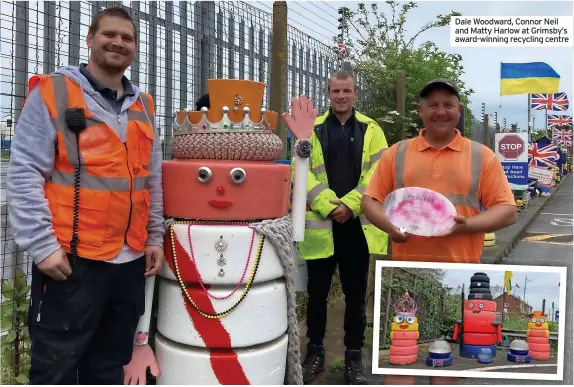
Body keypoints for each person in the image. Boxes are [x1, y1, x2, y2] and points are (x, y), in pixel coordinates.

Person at [7, 7, 165, 385]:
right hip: (71, 263)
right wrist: (42, 245)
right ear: (91, 38)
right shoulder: (53, 92)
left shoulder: (143, 106)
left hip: (128, 263)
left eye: (127, 38)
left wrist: (154, 235)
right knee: (55, 369)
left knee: (109, 367)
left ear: (135, 49)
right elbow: (26, 171)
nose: (118, 43)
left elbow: (152, 179)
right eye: (110, 34)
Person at [361, 79, 517, 385]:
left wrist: (466, 225)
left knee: (443, 364)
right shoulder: (397, 154)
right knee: (399, 359)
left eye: (448, 105)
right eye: (432, 104)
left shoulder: (481, 157)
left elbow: (507, 211)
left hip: (457, 274)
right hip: (404, 274)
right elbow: (370, 201)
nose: (440, 111)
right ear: (420, 111)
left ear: (459, 111)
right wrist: (389, 226)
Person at [297, 71, 389, 385]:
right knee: (317, 295)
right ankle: (315, 353)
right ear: (328, 93)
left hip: (356, 228)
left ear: (355, 93)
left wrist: (349, 205)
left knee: (355, 296)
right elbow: (301, 172)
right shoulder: (311, 130)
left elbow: (380, 174)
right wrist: (328, 204)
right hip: (321, 227)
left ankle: (354, 358)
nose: (341, 96)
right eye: (336, 91)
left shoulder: (372, 129)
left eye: (346, 91)